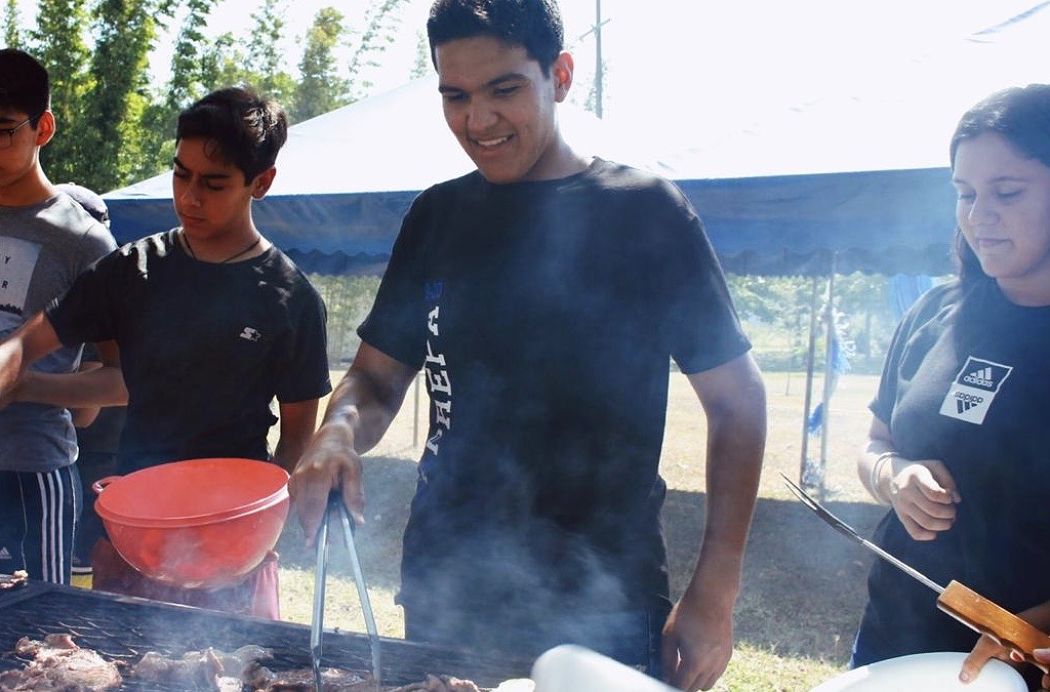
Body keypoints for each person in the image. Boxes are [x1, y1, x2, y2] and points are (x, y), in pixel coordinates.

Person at [288, 1, 767, 690]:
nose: (476, 122)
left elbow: (738, 401)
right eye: (456, 97)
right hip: (448, 579)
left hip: (605, 590)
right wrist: (337, 431)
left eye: (503, 90)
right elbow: (377, 377)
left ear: (561, 75)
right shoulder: (437, 216)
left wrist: (715, 593)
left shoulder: (644, 212)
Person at [0, 86, 332, 618]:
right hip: (136, 530)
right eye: (181, 174)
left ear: (261, 183)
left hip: (231, 540)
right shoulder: (134, 270)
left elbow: (295, 440)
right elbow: (27, 341)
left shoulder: (290, 300)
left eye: (213, 183)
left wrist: (264, 523)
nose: (189, 197)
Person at [853, 84, 1050, 688]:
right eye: (964, 194)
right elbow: (874, 443)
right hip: (893, 640)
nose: (978, 215)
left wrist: (1037, 630)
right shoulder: (935, 312)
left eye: (1007, 193)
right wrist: (894, 476)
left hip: (1018, 667)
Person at [0, 50, 117, 585]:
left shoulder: (85, 242)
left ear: (42, 127)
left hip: (32, 469)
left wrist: (22, 385)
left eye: (2, 130)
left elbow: (118, 379)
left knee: (40, 637)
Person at [53, 182, 127, 579]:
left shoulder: (99, 304)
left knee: (77, 578)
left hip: (91, 473)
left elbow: (84, 415)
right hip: (104, 466)